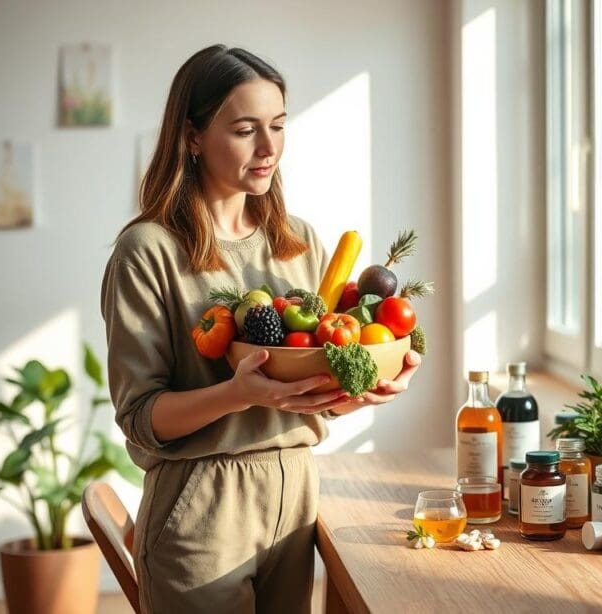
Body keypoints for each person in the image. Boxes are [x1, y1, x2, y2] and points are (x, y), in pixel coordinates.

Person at [100, 44, 421, 614]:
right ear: (192, 136)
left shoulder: (297, 242)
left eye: (277, 125)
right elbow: (141, 417)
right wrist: (235, 393)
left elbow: (307, 401)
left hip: (296, 492)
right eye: (246, 129)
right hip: (201, 507)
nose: (270, 147)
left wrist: (362, 392)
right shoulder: (146, 251)